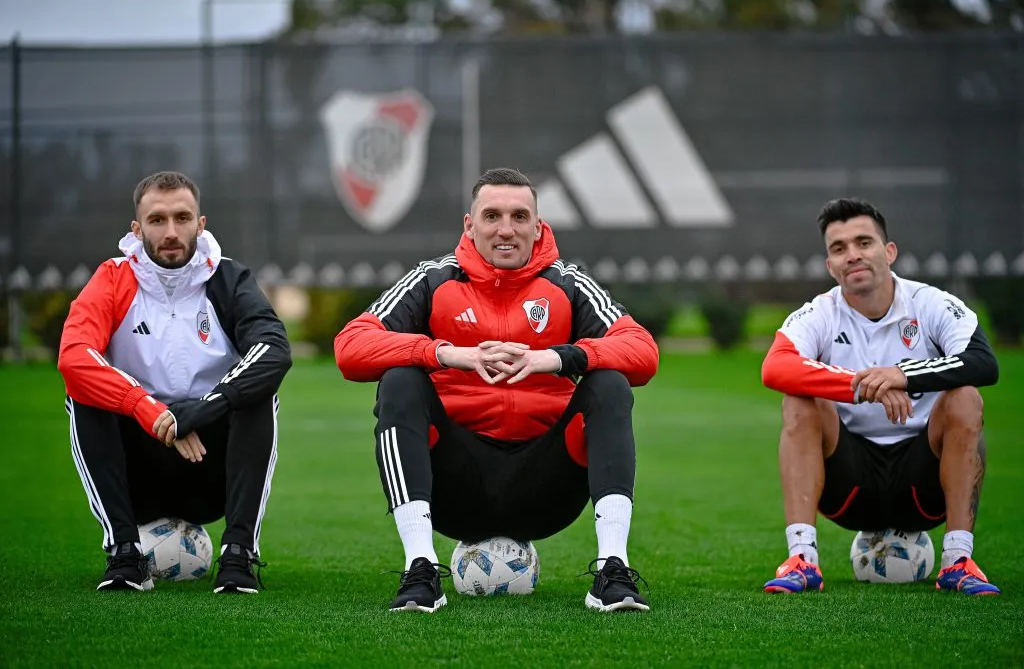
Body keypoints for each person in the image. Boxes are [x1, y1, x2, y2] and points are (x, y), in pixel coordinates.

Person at [334, 167, 659, 613]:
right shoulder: (434, 280)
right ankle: (420, 569)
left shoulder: (567, 283)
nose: (506, 229)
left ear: (538, 227)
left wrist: (557, 358)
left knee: (610, 384)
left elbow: (643, 351)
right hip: (453, 488)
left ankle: (613, 570)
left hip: (548, 490)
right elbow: (350, 346)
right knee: (399, 381)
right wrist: (445, 353)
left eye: (520, 216)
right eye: (492, 216)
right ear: (470, 226)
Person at [57, 171, 292, 593]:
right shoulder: (112, 278)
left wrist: (202, 410)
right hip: (139, 469)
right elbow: (74, 356)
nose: (170, 232)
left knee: (259, 393)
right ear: (137, 229)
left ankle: (239, 555)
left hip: (209, 464)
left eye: (182, 218)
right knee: (83, 393)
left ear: (200, 225)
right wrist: (150, 411)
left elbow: (274, 350)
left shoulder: (228, 278)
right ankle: (124, 554)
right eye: (157, 220)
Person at [760, 198, 1000, 595]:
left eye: (863, 242)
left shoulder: (930, 303)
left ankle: (958, 562)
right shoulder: (820, 312)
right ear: (830, 266)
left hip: (925, 488)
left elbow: (983, 362)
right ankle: (802, 560)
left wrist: (903, 376)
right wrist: (863, 386)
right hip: (848, 490)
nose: (852, 255)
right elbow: (775, 367)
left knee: (965, 398)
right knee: (798, 399)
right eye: (839, 248)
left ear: (889, 252)